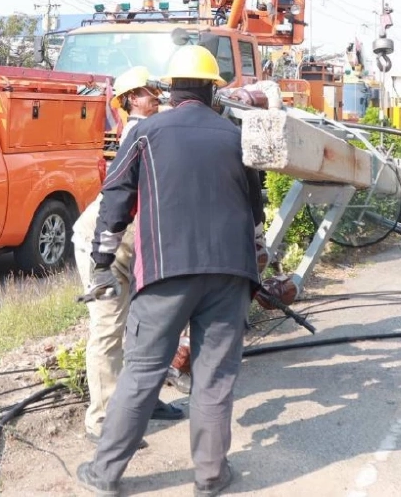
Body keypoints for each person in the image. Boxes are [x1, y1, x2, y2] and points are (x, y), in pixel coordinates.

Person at [77, 45, 265, 497]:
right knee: (214, 378)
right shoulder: (234, 135)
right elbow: (256, 208)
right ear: (212, 90)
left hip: (165, 272)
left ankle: (105, 476)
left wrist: (102, 264)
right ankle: (210, 477)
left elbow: (115, 199)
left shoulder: (147, 133)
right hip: (229, 273)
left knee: (142, 371)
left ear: (171, 88)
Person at [71, 67, 184, 442]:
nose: (157, 96)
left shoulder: (149, 130)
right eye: (149, 91)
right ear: (131, 99)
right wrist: (101, 264)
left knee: (142, 328)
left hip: (131, 241)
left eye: (156, 90)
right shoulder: (138, 131)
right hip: (102, 241)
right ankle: (102, 423)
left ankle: (143, 402)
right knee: (108, 331)